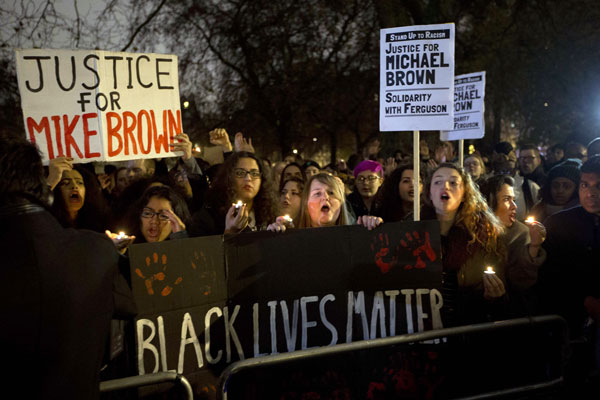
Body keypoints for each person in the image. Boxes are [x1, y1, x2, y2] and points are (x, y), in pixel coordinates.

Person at [0, 135, 136, 399]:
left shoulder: (95, 246)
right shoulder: (96, 250)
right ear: (44, 187)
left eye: (79, 182)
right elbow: (126, 305)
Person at [423, 163, 506, 326]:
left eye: (453, 183)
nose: (445, 186)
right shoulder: (412, 228)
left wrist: (492, 296)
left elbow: (500, 299)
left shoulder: (484, 237)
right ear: (429, 193)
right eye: (438, 182)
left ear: (464, 194)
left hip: (465, 327)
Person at [480, 175, 547, 316]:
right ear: (488, 203)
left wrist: (534, 248)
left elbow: (521, 283)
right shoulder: (470, 233)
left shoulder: (520, 233)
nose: (514, 206)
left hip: (509, 313)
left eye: (513, 200)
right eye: (506, 200)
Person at [188, 151, 278, 236]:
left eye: (254, 173)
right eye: (240, 173)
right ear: (229, 177)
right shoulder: (209, 217)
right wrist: (229, 232)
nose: (248, 178)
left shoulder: (269, 215)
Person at [49, 162, 109, 233]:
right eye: (65, 183)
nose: (74, 186)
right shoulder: (47, 223)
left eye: (79, 183)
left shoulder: (97, 222)